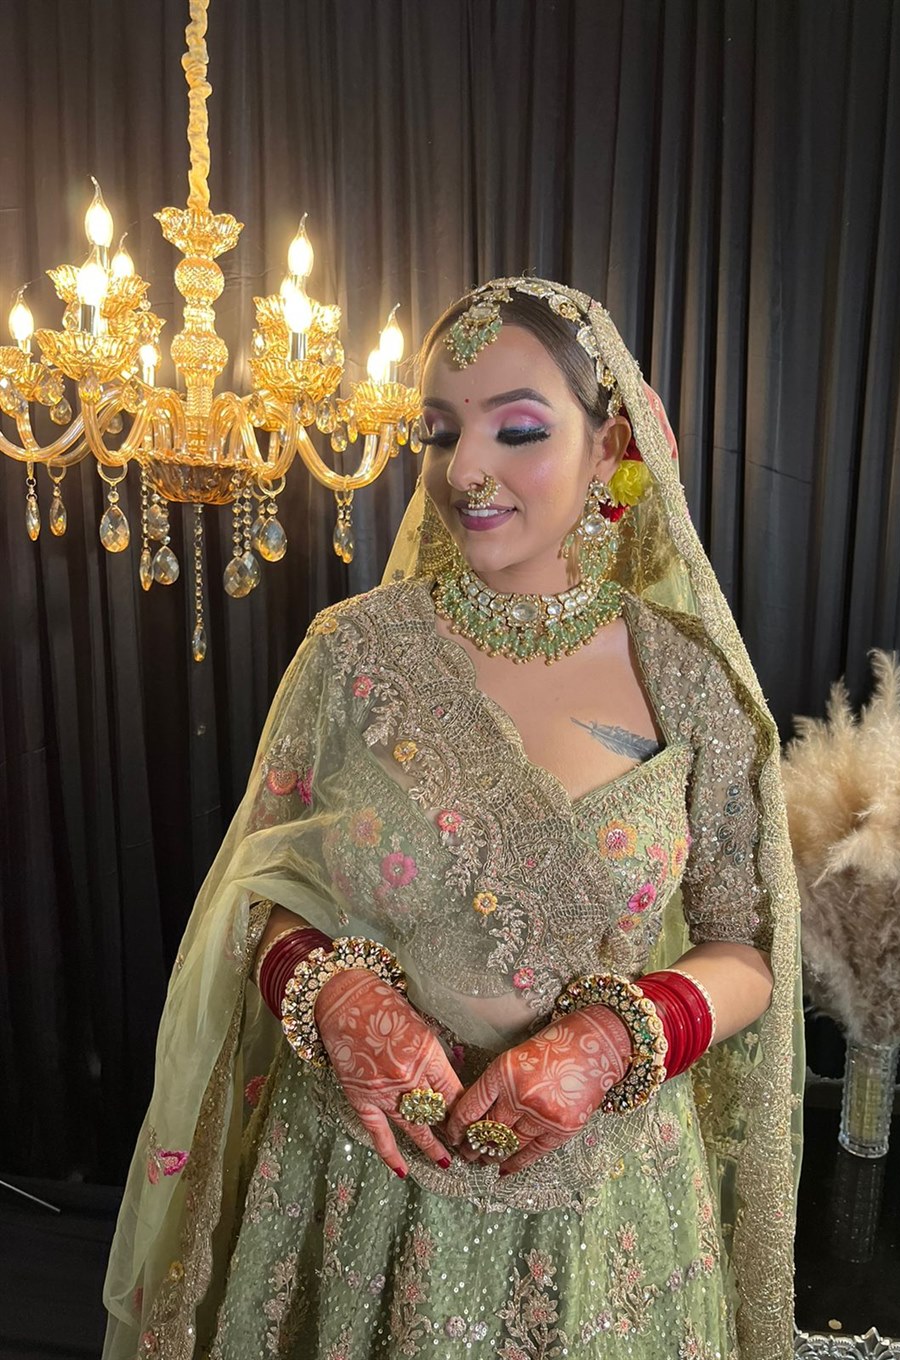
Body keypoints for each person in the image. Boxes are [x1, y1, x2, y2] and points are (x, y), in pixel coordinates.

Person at [103, 278, 803, 1360]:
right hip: (358, 1184)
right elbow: (255, 889)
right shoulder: (355, 653)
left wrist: (613, 1036)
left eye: (516, 431)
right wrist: (329, 994)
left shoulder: (687, 680)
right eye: (438, 432)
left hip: (604, 1215)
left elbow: (748, 945)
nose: (464, 469)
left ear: (612, 446)